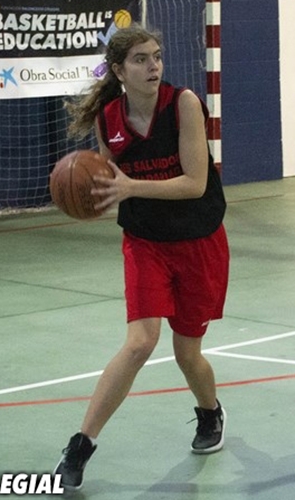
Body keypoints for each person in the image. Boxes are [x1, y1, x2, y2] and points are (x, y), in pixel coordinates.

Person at [53, 25, 230, 490]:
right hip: (145, 241)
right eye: (140, 60)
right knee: (139, 342)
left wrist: (131, 187)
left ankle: (210, 412)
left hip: (198, 239)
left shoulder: (184, 104)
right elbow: (108, 179)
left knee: (187, 353)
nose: (153, 66)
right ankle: (80, 445)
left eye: (157, 57)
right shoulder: (107, 117)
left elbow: (194, 182)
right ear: (118, 70)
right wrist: (94, 194)